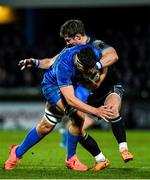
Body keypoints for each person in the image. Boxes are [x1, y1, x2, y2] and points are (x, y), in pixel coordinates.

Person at [19, 19, 133, 164]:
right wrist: (34, 62)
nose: (67, 43)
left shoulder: (96, 45)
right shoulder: (69, 51)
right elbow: (50, 62)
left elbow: (113, 55)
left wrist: (95, 66)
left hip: (108, 88)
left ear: (78, 37)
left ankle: (124, 149)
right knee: (76, 128)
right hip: (89, 94)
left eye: (68, 40)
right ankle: (101, 159)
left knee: (111, 110)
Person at [4, 45, 114, 171]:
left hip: (69, 85)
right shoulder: (64, 67)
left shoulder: (89, 50)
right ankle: (71, 159)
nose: (90, 71)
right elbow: (71, 100)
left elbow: (110, 57)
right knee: (78, 117)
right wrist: (96, 111)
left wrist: (35, 62)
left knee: (46, 126)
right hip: (52, 88)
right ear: (79, 64)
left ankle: (16, 152)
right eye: (87, 69)